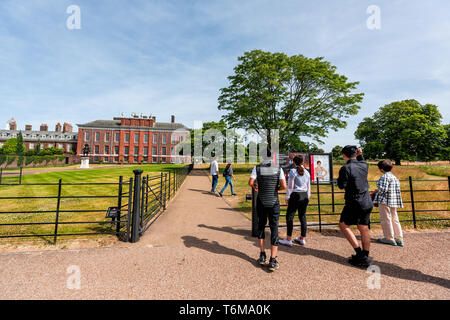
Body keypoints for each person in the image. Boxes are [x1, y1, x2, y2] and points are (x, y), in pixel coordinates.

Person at [248, 149, 287, 272]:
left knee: (261, 226)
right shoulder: (278, 168)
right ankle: (273, 259)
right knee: (274, 228)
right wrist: (277, 189)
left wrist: (256, 186)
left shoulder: (257, 168)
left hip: (261, 201)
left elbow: (251, 182)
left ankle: (262, 254)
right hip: (274, 201)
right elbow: (284, 186)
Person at [337, 146, 374, 268]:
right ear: (356, 153)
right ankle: (365, 255)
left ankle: (359, 254)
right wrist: (360, 154)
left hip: (354, 202)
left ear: (343, 155)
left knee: (343, 224)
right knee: (363, 228)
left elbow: (341, 185)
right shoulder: (364, 166)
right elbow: (362, 161)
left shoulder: (345, 168)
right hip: (367, 201)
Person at [279, 155, 311, 247]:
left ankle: (288, 239)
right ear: (303, 161)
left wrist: (287, 197)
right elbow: (309, 187)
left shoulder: (293, 171)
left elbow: (290, 186)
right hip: (304, 195)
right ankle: (302, 238)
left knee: (290, 216)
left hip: (295, 195)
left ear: (293, 162)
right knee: (302, 216)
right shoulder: (307, 172)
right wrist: (307, 196)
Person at [372, 160, 404, 246]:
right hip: (393, 201)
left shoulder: (384, 177)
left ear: (381, 169)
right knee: (395, 219)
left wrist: (376, 191)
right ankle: (399, 238)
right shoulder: (394, 177)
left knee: (386, 219)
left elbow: (383, 190)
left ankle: (389, 238)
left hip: (385, 201)